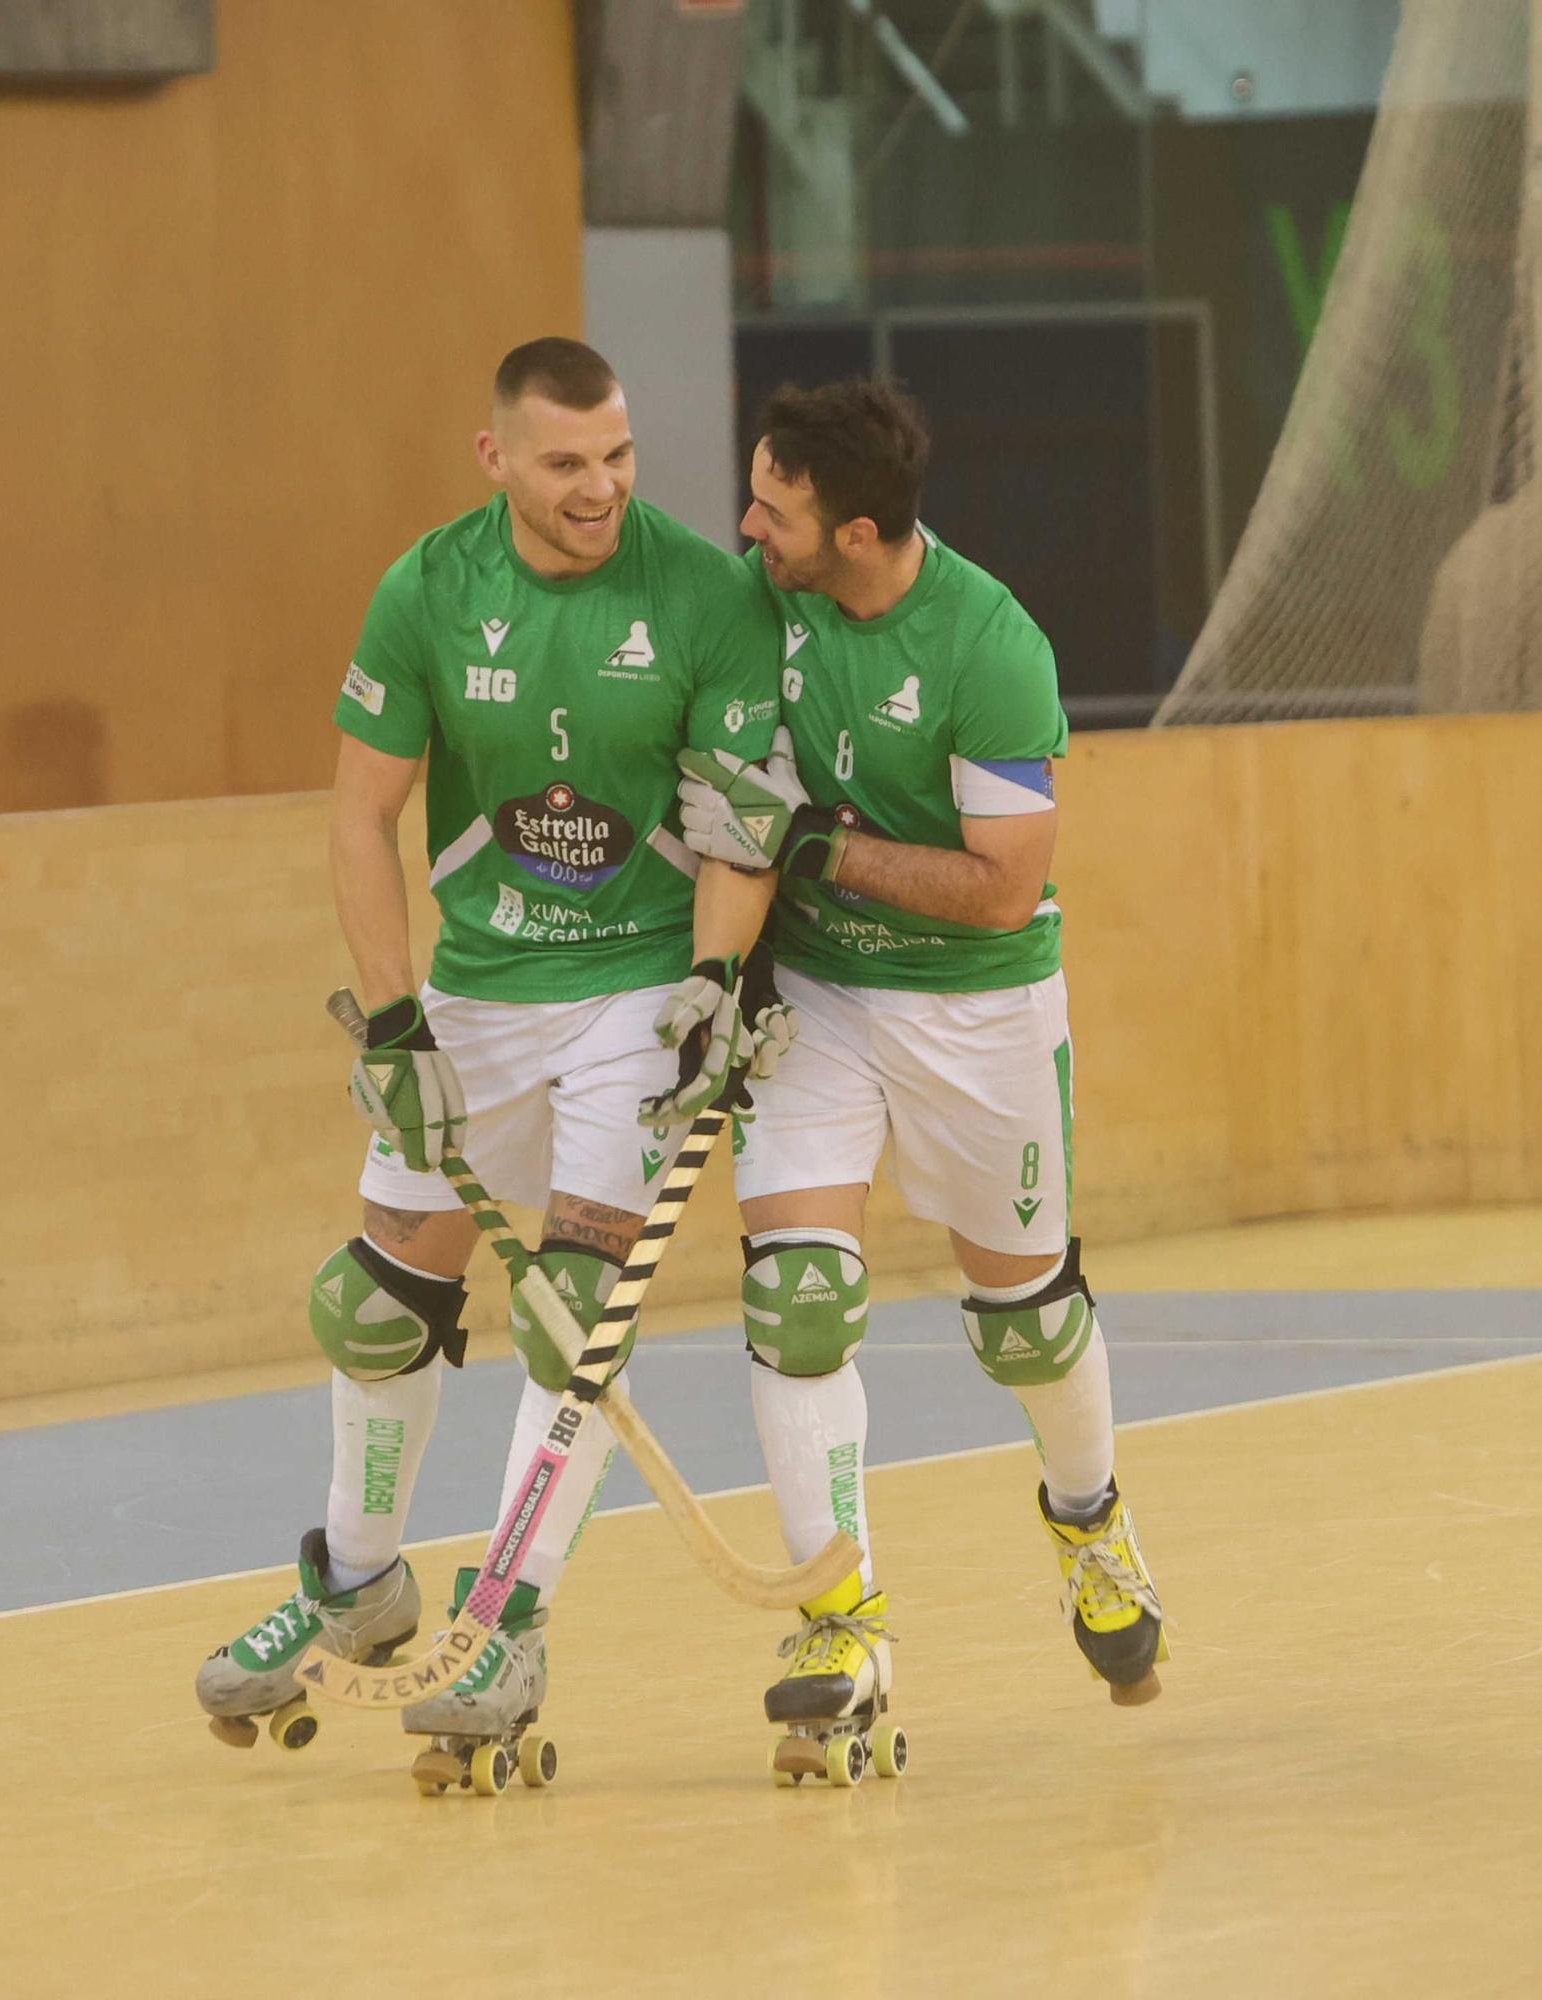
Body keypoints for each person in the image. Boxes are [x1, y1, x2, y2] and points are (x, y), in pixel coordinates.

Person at [196, 337, 780, 1759]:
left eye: (620, 457)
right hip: (473, 990)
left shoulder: (707, 593)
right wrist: (396, 1019)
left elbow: (741, 827)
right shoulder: (429, 590)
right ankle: (355, 1581)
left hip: (637, 997)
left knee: (569, 1319)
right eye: (568, 462)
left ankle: (506, 1618)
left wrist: (712, 985)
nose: (602, 488)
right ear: (498, 458)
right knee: (372, 1308)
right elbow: (357, 817)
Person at [675, 378, 1167, 1768]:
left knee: (1023, 1320)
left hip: (972, 1008)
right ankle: (839, 1618)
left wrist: (814, 844)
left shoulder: (989, 644)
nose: (748, 527)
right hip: (817, 998)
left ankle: (1085, 1518)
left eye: (775, 510)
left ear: (861, 531)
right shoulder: (756, 600)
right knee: (799, 1292)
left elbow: (1003, 890)